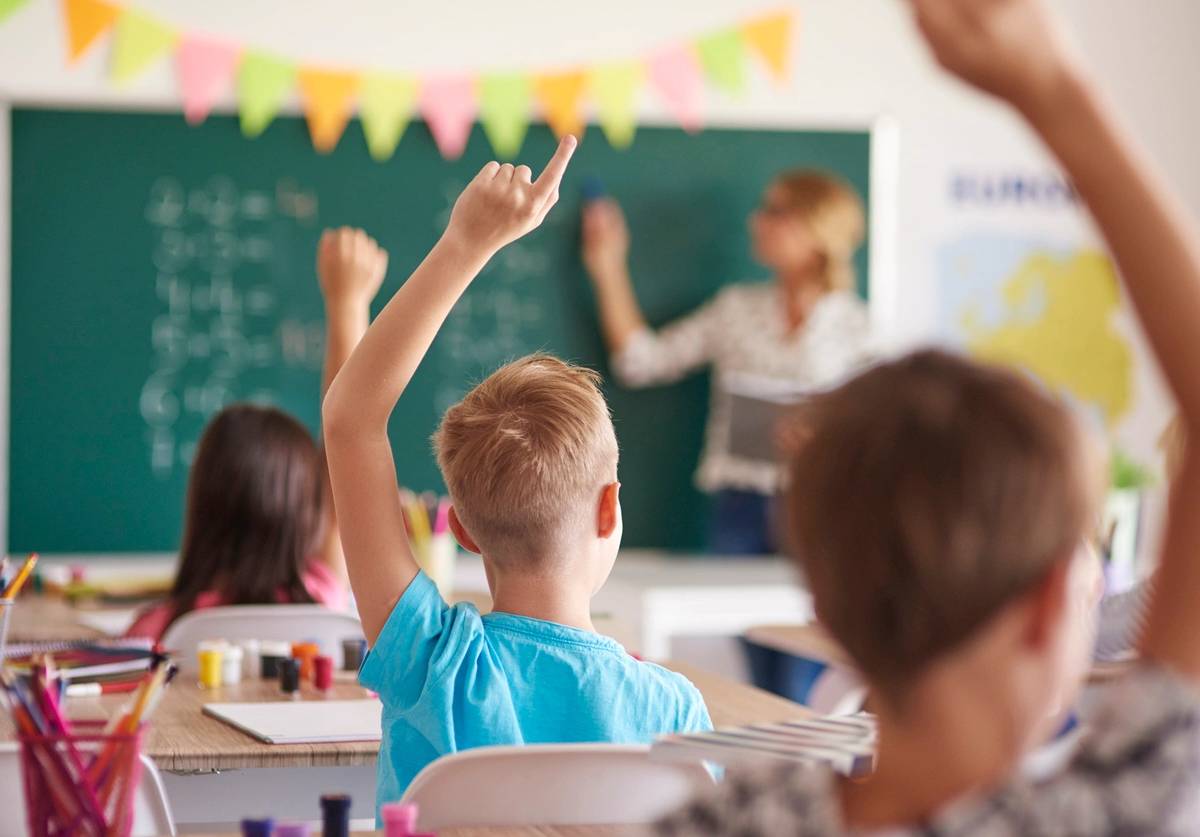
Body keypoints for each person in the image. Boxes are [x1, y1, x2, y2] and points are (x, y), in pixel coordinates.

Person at [655, 0, 1200, 833]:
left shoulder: (716, 823)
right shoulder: (1106, 813)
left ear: (821, 611)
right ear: (1061, 599)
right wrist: (1055, 91)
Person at [322, 137, 712, 817]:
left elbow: (351, 420)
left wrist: (465, 244)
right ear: (609, 507)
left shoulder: (432, 664)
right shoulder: (674, 712)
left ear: (463, 529)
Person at [582, 170, 873, 553]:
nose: (757, 221)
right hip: (738, 508)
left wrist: (826, 436)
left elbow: (879, 434)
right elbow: (639, 361)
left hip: (823, 503)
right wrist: (607, 266)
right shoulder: (736, 309)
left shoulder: (860, 329)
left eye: (776, 211)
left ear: (817, 229)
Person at [126, 228, 387, 640]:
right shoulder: (324, 599)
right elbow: (345, 453)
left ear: (202, 505)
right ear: (309, 510)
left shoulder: (158, 632)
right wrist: (348, 304)